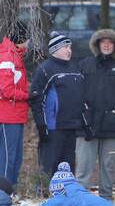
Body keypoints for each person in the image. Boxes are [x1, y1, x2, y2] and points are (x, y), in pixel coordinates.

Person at [78, 28, 115, 200]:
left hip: (113, 124)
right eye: (103, 41)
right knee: (84, 166)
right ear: (97, 44)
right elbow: (76, 90)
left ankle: (105, 200)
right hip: (87, 125)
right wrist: (83, 110)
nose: (106, 45)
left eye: (110, 42)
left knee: (109, 166)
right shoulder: (85, 64)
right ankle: (80, 202)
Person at [29, 33, 89, 179]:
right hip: (53, 126)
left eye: (70, 47)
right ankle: (44, 193)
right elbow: (37, 99)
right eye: (65, 47)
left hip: (72, 125)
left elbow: (81, 97)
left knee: (67, 165)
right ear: (55, 49)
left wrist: (86, 122)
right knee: (50, 164)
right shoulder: (45, 69)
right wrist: (41, 124)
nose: (69, 50)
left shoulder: (75, 69)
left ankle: (66, 194)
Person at [0, 22, 30, 186]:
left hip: (14, 114)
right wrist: (28, 95)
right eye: (27, 38)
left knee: (15, 156)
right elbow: (6, 91)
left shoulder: (15, 56)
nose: (29, 42)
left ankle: (9, 191)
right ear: (21, 38)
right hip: (7, 115)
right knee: (7, 157)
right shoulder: (7, 57)